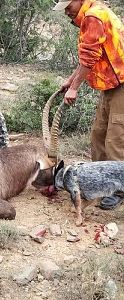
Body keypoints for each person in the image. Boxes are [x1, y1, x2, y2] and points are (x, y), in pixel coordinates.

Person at [53, 0, 124, 209]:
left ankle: (118, 190)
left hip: (121, 84)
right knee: (98, 136)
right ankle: (100, 183)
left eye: (68, 7)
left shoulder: (93, 15)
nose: (67, 12)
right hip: (111, 85)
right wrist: (71, 79)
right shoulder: (91, 14)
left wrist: (74, 87)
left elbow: (90, 57)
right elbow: (90, 55)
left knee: (116, 139)